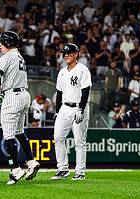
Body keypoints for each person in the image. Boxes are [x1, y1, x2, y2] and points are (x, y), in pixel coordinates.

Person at [0, 31, 40, 185]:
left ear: (7, 42)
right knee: (19, 133)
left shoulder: (7, 56)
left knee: (9, 136)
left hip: (12, 96)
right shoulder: (19, 56)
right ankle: (31, 162)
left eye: (1, 42)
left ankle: (15, 170)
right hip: (24, 95)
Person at [51, 43, 91, 181]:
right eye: (65, 53)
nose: (66, 55)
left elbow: (86, 91)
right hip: (64, 108)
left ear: (76, 54)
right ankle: (62, 169)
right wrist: (57, 111)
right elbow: (59, 93)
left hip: (79, 107)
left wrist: (81, 109)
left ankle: (80, 172)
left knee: (79, 141)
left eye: (69, 53)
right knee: (58, 137)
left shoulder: (82, 70)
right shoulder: (62, 71)